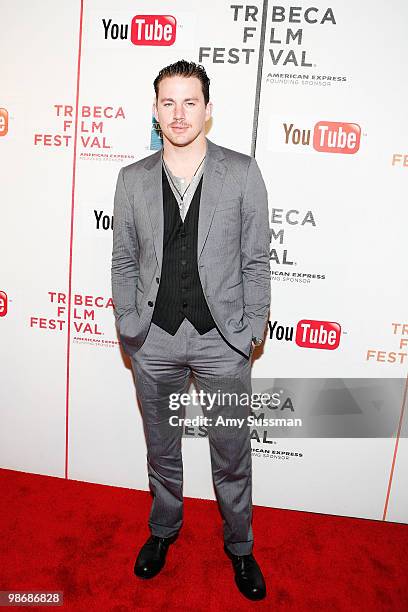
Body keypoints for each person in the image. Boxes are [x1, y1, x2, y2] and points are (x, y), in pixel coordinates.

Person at [111, 59, 271, 601]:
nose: (179, 113)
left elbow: (256, 261)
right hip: (152, 339)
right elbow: (124, 260)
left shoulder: (242, 172)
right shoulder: (131, 179)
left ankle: (240, 546)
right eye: (168, 102)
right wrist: (129, 322)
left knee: (231, 450)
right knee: (162, 447)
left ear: (207, 110)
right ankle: (162, 531)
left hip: (222, 340)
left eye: (190, 102)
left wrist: (252, 330)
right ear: (155, 112)